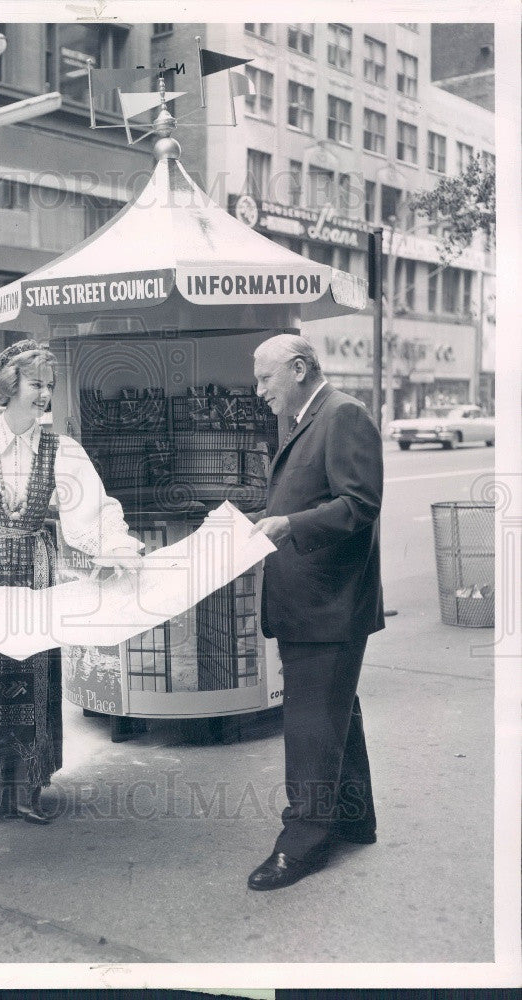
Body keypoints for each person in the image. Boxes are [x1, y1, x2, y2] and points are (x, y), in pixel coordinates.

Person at [0, 340, 141, 822]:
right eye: (37, 384)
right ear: (10, 386)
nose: (45, 395)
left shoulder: (63, 449)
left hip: (34, 578)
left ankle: (24, 789)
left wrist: (111, 548)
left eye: (50, 387)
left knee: (26, 681)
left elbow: (93, 512)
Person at [246, 334, 384, 891]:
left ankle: (301, 843)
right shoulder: (311, 415)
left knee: (309, 726)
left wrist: (287, 526)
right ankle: (353, 819)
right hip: (313, 603)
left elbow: (359, 505)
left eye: (265, 379)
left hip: (330, 605)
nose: (259, 392)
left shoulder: (343, 415)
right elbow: (310, 498)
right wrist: (266, 518)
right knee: (332, 716)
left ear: (298, 368)